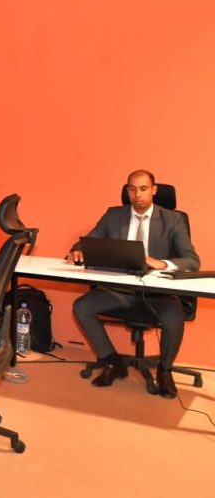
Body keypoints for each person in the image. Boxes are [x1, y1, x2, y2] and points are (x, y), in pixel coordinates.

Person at [69, 170, 200, 398]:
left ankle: (165, 371)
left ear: (154, 190)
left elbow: (192, 260)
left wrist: (160, 263)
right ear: (127, 190)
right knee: (82, 306)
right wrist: (78, 250)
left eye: (143, 189)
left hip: (158, 294)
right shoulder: (113, 215)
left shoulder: (173, 219)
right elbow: (89, 241)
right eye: (132, 189)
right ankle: (113, 362)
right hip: (120, 290)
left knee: (173, 317)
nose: (137, 195)